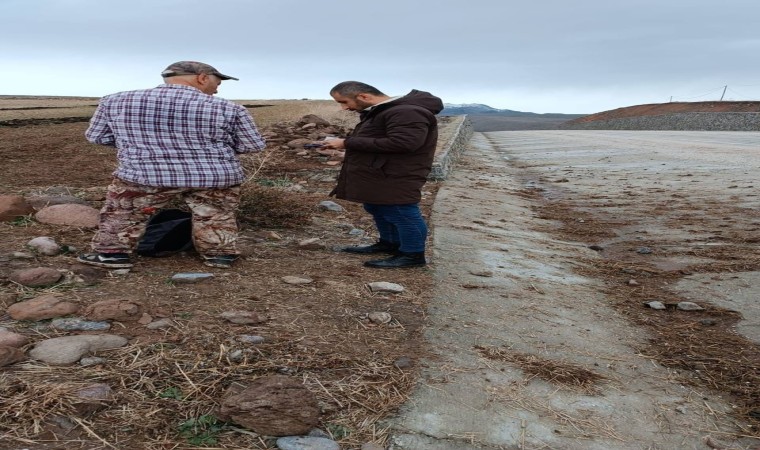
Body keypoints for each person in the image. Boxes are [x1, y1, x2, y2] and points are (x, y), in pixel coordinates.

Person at [77, 61, 266, 269]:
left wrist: (137, 147)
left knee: (124, 212)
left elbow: (96, 136)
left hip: (143, 173)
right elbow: (252, 145)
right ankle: (219, 255)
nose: (218, 88)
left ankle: (112, 255)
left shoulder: (115, 101)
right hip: (215, 176)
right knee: (216, 214)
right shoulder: (229, 108)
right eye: (217, 81)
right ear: (202, 78)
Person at [321, 81, 443, 268]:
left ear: (363, 96)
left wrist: (347, 143)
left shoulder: (406, 112)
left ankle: (412, 255)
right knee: (378, 207)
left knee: (402, 212)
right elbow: (382, 140)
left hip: (397, 173)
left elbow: (404, 143)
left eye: (344, 102)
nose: (344, 108)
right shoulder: (385, 111)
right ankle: (389, 244)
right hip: (381, 171)